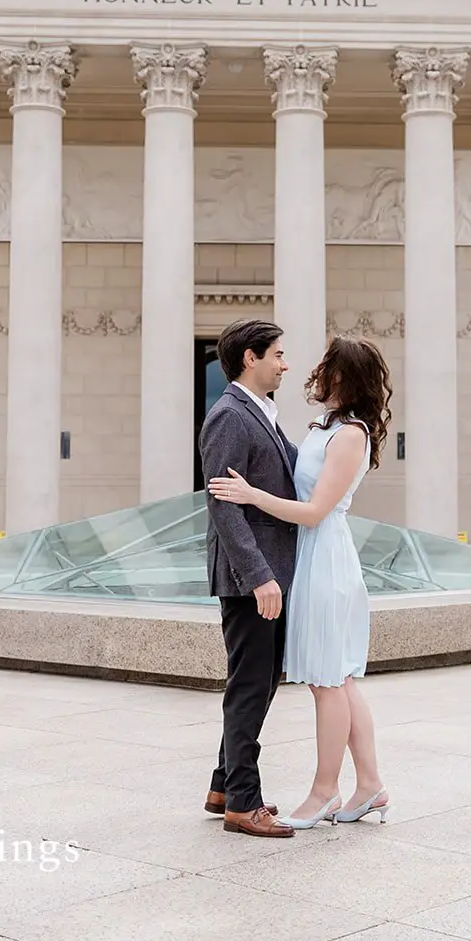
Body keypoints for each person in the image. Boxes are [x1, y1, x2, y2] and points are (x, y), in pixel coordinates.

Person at [208, 335, 393, 829]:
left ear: (342, 375)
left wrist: (250, 494)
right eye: (282, 356)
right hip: (307, 557)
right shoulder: (323, 426)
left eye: (325, 365)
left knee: (328, 679)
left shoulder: (351, 433)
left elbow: (313, 511)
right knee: (337, 677)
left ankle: (325, 791)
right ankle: (370, 783)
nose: (304, 369)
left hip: (324, 554)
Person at [199, 319, 300, 838]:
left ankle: (223, 785)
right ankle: (243, 802)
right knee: (250, 686)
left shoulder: (262, 413)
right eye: (278, 354)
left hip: (267, 571)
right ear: (250, 358)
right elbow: (223, 506)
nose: (285, 363)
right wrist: (259, 575)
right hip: (250, 577)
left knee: (259, 684)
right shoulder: (229, 417)